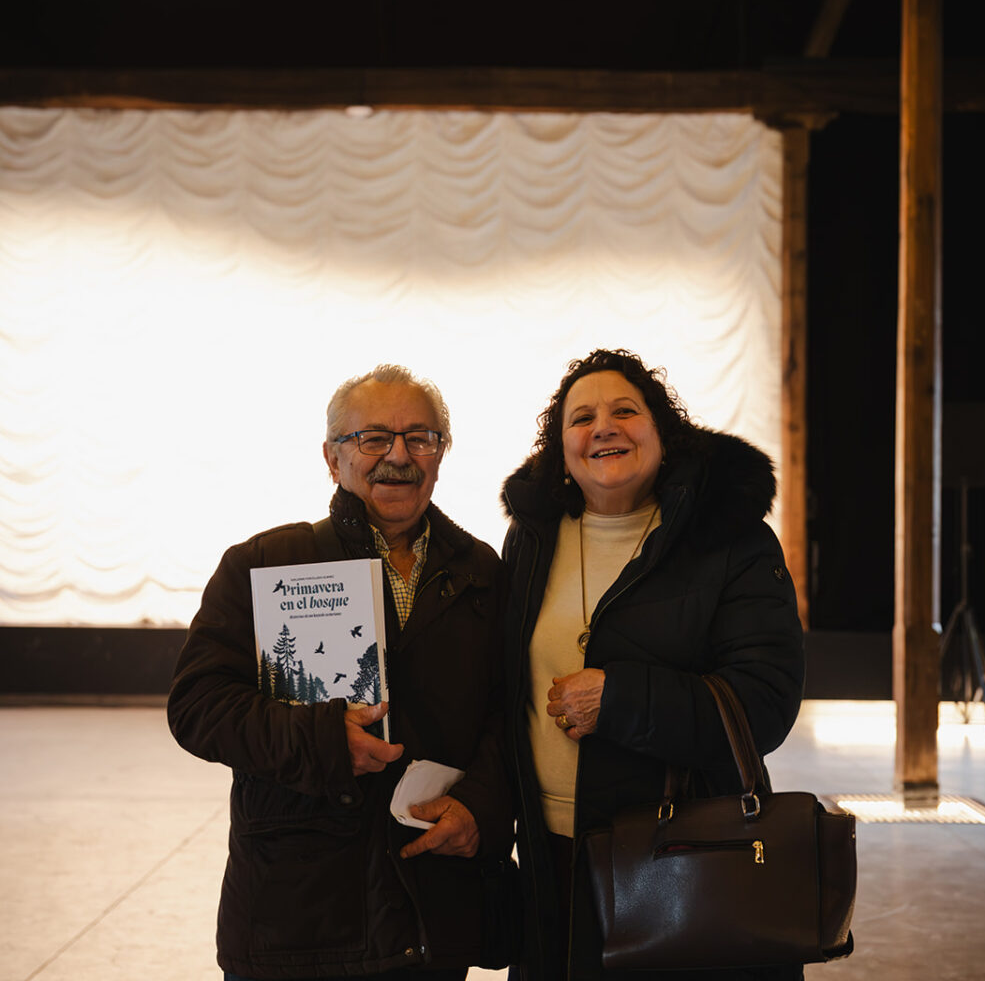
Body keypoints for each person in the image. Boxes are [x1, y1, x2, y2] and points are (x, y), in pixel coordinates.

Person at [168, 364, 515, 981]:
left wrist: (480, 809)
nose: (398, 457)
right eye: (373, 438)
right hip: (298, 914)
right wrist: (323, 740)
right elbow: (198, 705)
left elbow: (510, 713)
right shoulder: (265, 564)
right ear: (333, 458)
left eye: (420, 438)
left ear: (441, 454)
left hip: (432, 909)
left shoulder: (483, 573)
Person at [501, 349, 805, 981]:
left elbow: (765, 701)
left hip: (681, 855)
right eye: (581, 418)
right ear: (561, 450)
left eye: (624, 411)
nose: (603, 428)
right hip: (552, 855)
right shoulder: (532, 537)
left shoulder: (733, 540)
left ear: (662, 433)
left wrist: (618, 701)